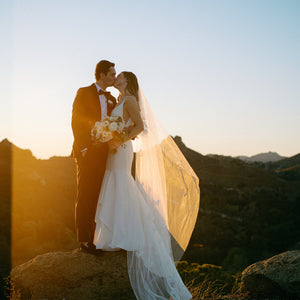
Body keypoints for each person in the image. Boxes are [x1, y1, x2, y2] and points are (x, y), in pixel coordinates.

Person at [93, 71, 200, 300]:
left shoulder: (129, 100)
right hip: (114, 148)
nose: (116, 77)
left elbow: (140, 126)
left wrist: (120, 139)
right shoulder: (119, 100)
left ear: (127, 81)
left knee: (122, 183)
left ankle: (127, 235)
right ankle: (114, 235)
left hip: (121, 149)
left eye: (119, 75)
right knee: (114, 182)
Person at [71, 60, 117, 254]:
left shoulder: (113, 99)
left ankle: (98, 238)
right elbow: (76, 120)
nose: (114, 77)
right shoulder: (84, 92)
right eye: (112, 74)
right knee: (86, 195)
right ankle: (85, 241)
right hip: (87, 151)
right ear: (102, 74)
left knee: (101, 196)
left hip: (107, 153)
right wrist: (83, 149)